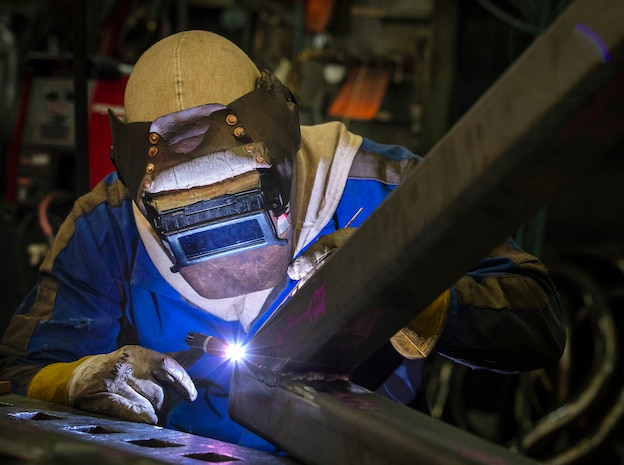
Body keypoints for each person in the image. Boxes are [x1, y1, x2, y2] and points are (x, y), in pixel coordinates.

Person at [0, 30, 565, 453]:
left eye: (239, 200)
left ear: (285, 154)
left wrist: (408, 293)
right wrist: (76, 380)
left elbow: (538, 319)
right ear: (145, 195)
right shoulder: (108, 225)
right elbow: (18, 373)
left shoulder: (380, 189)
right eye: (190, 214)